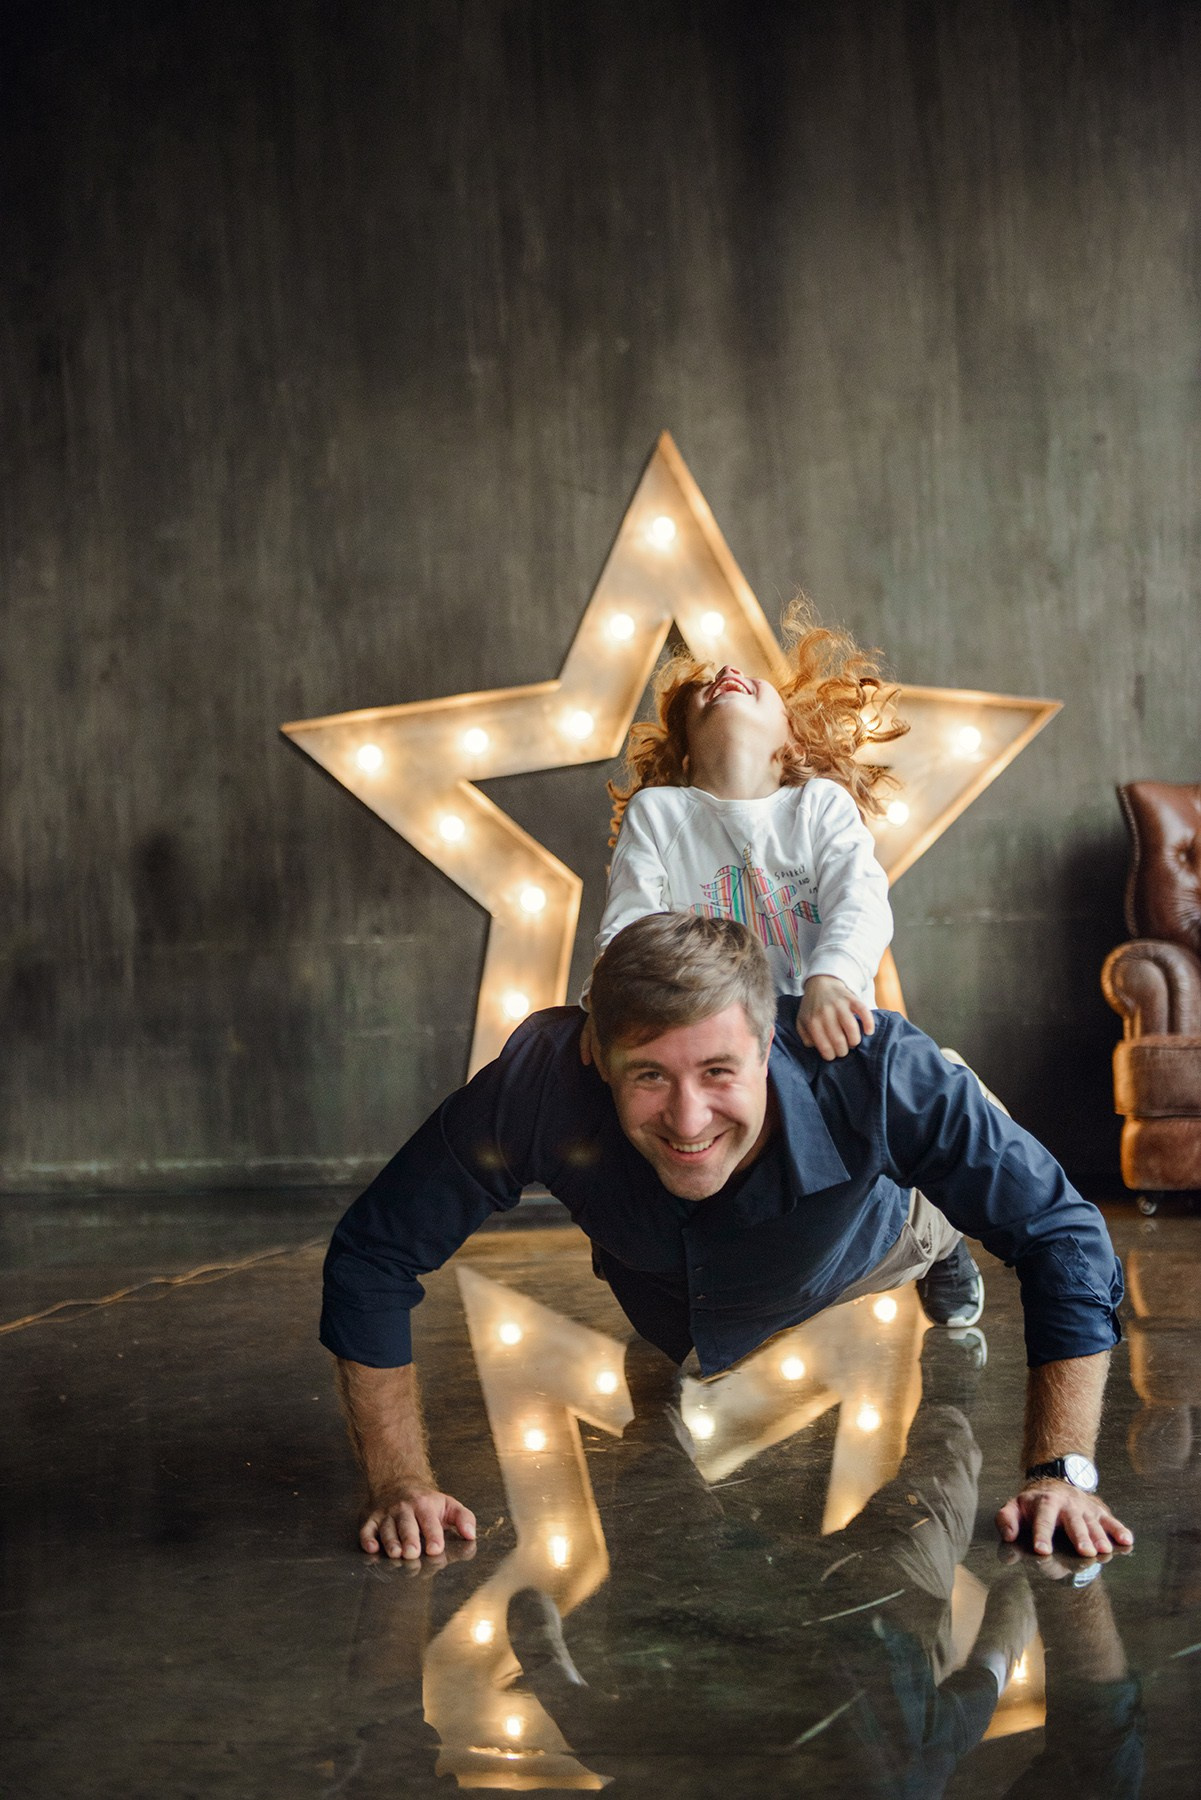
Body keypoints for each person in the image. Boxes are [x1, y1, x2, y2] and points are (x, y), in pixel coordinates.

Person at [320, 912, 1132, 1566]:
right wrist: (398, 1484)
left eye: (717, 1071)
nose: (686, 1119)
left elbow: (1063, 1236)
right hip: (672, 1296)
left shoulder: (878, 1070)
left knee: (909, 1551)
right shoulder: (540, 1077)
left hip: (880, 1241)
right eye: (647, 1075)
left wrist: (1060, 1473)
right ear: (594, 1056)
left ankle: (948, 1207)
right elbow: (373, 1254)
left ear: (766, 1040)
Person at [583, 605, 982, 1332]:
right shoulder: (661, 813)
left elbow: (859, 897)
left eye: (753, 684)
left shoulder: (817, 806)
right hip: (711, 1042)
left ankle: (940, 1234)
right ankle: (658, 1275)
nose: (726, 674)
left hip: (814, 1027)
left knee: (928, 1108)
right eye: (703, 686)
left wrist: (833, 976)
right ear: (681, 750)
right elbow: (631, 920)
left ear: (787, 742)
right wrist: (604, 1006)